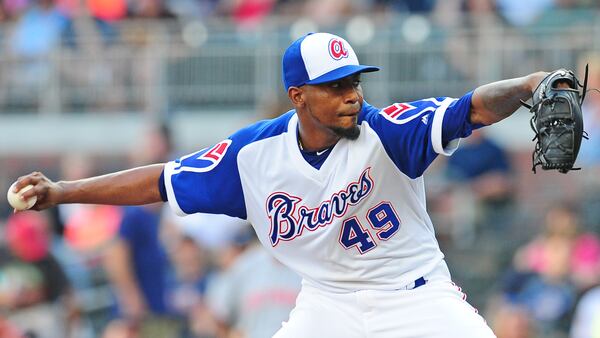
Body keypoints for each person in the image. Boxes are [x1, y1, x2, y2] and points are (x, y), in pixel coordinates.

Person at [10, 32, 561, 337]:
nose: (352, 94)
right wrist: (62, 191)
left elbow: (472, 108)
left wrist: (530, 84)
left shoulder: (387, 130)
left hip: (416, 297)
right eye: (334, 86)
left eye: (354, 82)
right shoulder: (253, 157)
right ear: (298, 96)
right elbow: (158, 180)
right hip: (329, 307)